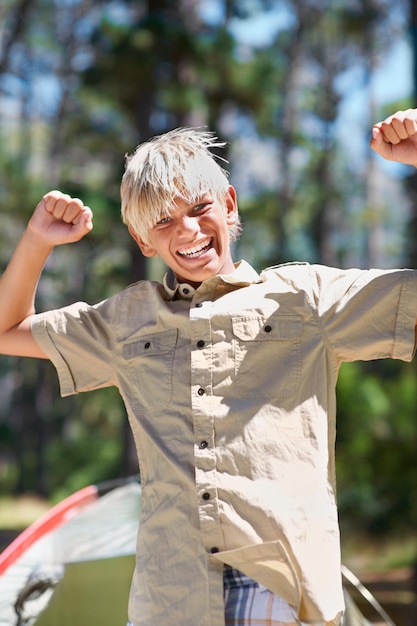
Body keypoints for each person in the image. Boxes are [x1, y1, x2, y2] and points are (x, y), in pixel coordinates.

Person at [0, 109, 417, 626]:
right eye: (164, 222)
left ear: (230, 203)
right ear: (142, 240)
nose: (189, 230)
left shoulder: (305, 299)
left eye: (200, 208)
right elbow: (6, 330)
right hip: (169, 592)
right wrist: (38, 240)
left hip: (277, 581)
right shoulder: (125, 322)